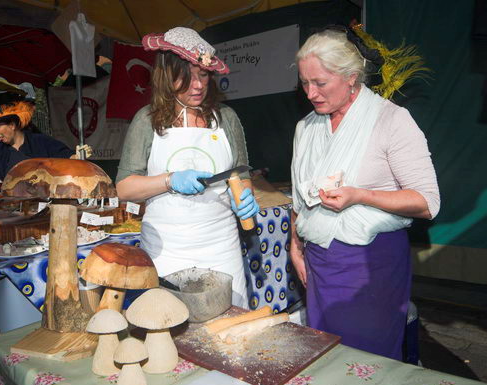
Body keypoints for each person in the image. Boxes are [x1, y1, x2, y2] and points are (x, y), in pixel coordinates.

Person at [289, 26, 440, 360]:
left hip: (369, 267)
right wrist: (295, 245)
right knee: (326, 357)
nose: (311, 93)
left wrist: (360, 195)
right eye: (304, 82)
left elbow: (427, 202)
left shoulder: (392, 121)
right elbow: (299, 199)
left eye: (321, 83)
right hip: (318, 263)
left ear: (351, 77)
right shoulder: (306, 128)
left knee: (365, 362)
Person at [116, 27, 259, 308]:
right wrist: (169, 180)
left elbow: (240, 174)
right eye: (187, 75)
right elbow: (124, 188)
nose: (198, 85)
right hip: (166, 250)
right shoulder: (146, 121)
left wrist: (243, 196)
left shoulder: (226, 118)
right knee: (171, 329)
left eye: (203, 74)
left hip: (222, 246)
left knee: (229, 328)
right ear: (167, 75)